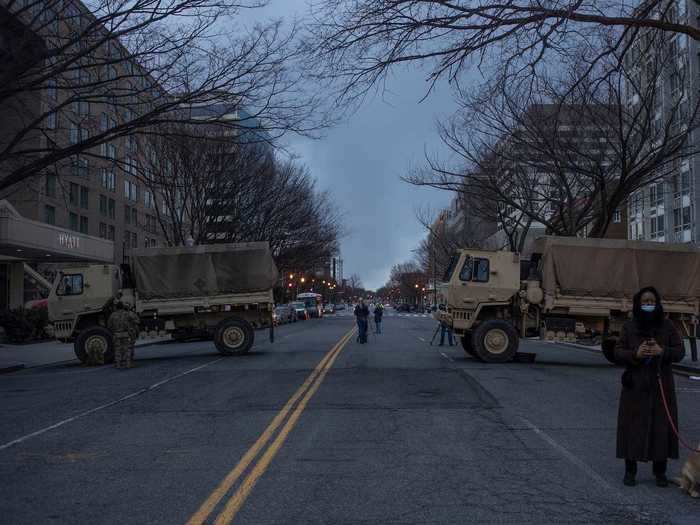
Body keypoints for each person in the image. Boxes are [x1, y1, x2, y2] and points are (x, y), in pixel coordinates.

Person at [615, 286, 685, 487]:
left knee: (661, 427)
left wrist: (662, 351)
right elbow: (618, 352)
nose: (648, 305)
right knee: (632, 427)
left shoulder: (667, 325)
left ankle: (660, 472)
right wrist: (635, 354)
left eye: (651, 302)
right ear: (638, 303)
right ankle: (630, 471)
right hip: (635, 386)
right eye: (644, 302)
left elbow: (679, 351)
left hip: (661, 384)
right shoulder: (629, 326)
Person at [108, 301, 140, 369]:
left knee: (117, 349)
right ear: (123, 307)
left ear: (116, 307)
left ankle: (118, 364)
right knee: (127, 349)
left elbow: (109, 326)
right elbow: (137, 321)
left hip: (116, 334)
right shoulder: (128, 314)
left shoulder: (112, 315)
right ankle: (128, 364)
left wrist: (114, 331)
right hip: (126, 334)